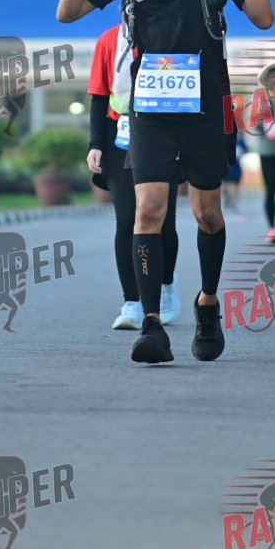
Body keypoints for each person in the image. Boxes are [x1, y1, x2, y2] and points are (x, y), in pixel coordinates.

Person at [57, 0, 274, 365]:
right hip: (150, 108)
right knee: (148, 211)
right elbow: (67, 12)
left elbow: (263, 18)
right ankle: (152, 323)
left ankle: (208, 303)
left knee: (206, 214)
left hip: (207, 107)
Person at [86, 23, 180, 330]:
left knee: (162, 220)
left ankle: (165, 285)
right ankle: (131, 302)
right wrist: (95, 144)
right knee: (127, 219)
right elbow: (99, 96)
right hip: (120, 135)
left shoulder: (171, 30)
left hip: (163, 132)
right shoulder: (108, 39)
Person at [243, 65, 275, 241]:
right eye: (272, 78)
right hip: (267, 151)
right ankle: (272, 228)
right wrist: (266, 127)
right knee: (270, 189)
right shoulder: (260, 100)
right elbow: (252, 121)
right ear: (266, 81)